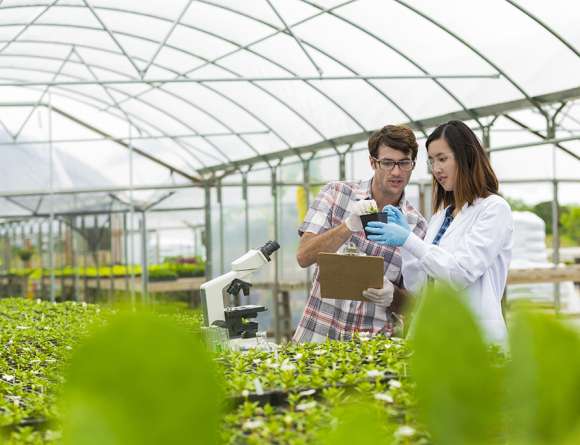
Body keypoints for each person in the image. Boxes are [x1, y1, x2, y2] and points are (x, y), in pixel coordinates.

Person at [365, 120, 513, 344]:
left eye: (442, 159)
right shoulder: (440, 217)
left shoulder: (493, 209)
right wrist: (406, 246)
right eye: (432, 161)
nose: (436, 169)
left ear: (466, 156)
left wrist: (409, 239)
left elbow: (460, 274)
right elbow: (418, 287)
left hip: (473, 338)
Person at [294, 125, 428, 342]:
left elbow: (416, 303)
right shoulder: (337, 194)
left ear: (412, 164)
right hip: (316, 338)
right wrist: (347, 226)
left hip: (371, 351)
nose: (396, 172)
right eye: (387, 163)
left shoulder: (416, 226)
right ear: (373, 162)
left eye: (404, 163)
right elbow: (303, 256)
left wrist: (392, 295)